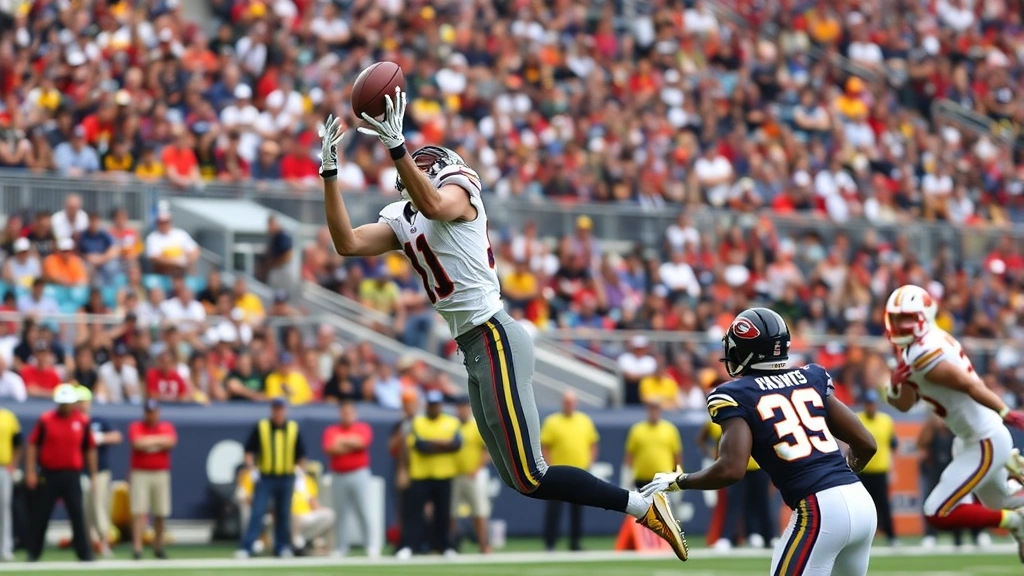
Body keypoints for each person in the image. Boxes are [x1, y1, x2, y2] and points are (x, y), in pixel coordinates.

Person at [318, 91, 686, 560]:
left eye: (418, 164)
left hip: (495, 336)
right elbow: (346, 243)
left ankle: (641, 504)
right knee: (521, 482)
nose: (408, 174)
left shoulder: (457, 189)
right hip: (473, 347)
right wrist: (330, 174)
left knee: (532, 472)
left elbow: (434, 204)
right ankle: (640, 503)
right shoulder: (403, 216)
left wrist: (398, 145)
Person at [641, 308, 879, 575]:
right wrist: (842, 476)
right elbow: (866, 443)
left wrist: (679, 481)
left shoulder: (736, 393)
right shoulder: (811, 377)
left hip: (819, 510)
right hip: (861, 502)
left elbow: (731, 469)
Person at [883, 284, 1024, 561]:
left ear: (924, 316)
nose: (900, 325)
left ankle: (1017, 522)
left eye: (907, 318)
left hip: (983, 439)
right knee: (1001, 501)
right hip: (971, 439)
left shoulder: (924, 354)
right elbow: (905, 402)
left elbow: (969, 384)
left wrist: (1006, 411)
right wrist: (894, 385)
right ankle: (1017, 513)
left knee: (937, 511)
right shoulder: (918, 347)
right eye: (896, 318)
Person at [25, 384, 97, 562]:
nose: (65, 406)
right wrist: (30, 471)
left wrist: (93, 474)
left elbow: (89, 448)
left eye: (68, 403)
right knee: (41, 514)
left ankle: (84, 553)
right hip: (48, 474)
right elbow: (33, 444)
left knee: (77, 514)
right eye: (62, 403)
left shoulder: (82, 421)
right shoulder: (46, 420)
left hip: (72, 474)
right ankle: (34, 552)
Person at [237, 397, 307, 558]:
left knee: (283, 514)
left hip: (286, 477)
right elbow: (249, 451)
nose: (278, 412)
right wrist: (251, 469)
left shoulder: (292, 428)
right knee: (257, 511)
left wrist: (300, 473)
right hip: (265, 477)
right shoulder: (262, 427)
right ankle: (247, 547)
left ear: (285, 410)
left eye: (281, 409)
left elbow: (301, 455)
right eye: (275, 409)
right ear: (271, 410)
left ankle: (281, 546)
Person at [397, 390, 460, 558]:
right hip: (420, 474)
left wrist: (433, 444)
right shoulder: (417, 422)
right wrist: (442, 444)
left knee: (443, 513)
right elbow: (420, 446)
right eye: (431, 404)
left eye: (436, 404)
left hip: (443, 473)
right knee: (414, 513)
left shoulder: (451, 422)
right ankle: (410, 545)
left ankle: (445, 546)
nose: (434, 408)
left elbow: (456, 445)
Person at [540, 391, 599, 552]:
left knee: (577, 510)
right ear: (562, 403)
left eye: (571, 402)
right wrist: (549, 466)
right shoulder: (552, 422)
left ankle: (575, 542)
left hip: (579, 472)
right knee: (554, 509)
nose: (569, 405)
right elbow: (545, 446)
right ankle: (550, 543)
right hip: (558, 473)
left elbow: (593, 443)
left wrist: (589, 462)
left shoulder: (584, 421)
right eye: (566, 402)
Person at [321, 399, 377, 557]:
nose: (347, 415)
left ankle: (371, 545)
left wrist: (342, 441)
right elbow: (330, 448)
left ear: (355, 414)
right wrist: (350, 443)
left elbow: (361, 443)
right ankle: (341, 547)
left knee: (364, 511)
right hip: (338, 475)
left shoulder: (362, 428)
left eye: (350, 412)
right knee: (341, 513)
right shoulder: (332, 430)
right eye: (344, 412)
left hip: (359, 473)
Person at [127, 399, 176, 559]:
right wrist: (157, 442)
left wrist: (149, 443)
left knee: (161, 511)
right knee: (138, 511)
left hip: (160, 472)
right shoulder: (136, 426)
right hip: (140, 472)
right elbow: (138, 443)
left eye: (154, 412)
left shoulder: (166, 426)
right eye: (149, 412)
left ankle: (158, 546)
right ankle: (137, 548)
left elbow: (170, 441)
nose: (151, 415)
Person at [76, 386, 122, 558]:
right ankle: (86, 545)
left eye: (84, 401)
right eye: (78, 402)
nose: (81, 405)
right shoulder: (73, 422)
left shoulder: (98, 421)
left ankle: (104, 543)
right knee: (83, 509)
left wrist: (100, 437)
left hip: (100, 471)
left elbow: (117, 436)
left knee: (100, 507)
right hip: (80, 471)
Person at [856, 388, 898, 546]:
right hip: (862, 471)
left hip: (880, 470)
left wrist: (893, 469)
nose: (870, 406)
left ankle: (891, 537)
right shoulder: (857, 419)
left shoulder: (886, 420)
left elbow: (893, 445)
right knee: (863, 508)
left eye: (872, 403)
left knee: (884, 506)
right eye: (868, 403)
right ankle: (862, 539)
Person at [450, 396, 491, 554]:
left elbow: (487, 450)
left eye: (464, 407)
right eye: (459, 407)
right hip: (454, 475)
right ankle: (452, 545)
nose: (461, 410)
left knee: (479, 512)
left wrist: (477, 468)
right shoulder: (452, 426)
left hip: (473, 475)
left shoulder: (476, 426)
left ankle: (484, 545)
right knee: (451, 513)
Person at [624, 400, 682, 490]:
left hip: (664, 481)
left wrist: (677, 477)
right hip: (641, 480)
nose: (653, 412)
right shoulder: (637, 430)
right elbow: (630, 455)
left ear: (660, 411)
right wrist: (627, 476)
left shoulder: (670, 429)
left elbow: (677, 456)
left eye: (656, 409)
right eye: (651, 409)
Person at [290, 466, 334, 555]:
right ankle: (298, 545)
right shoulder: (284, 482)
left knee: (329, 514)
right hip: (290, 518)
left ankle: (325, 546)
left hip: (306, 516)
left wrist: (320, 509)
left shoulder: (307, 481)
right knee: (294, 517)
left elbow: (313, 502)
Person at [0, 406, 21, 561]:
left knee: (4, 508)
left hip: (3, 468)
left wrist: (13, 464)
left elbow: (18, 442)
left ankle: (5, 547)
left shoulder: (8, 416)